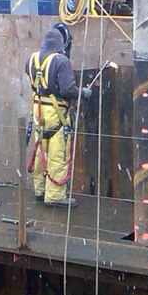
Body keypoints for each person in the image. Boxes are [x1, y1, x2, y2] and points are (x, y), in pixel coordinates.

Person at [26, 23, 92, 208]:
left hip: (39, 114)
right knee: (58, 155)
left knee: (41, 153)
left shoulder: (31, 59)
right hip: (57, 116)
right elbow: (67, 89)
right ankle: (54, 196)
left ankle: (40, 190)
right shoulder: (61, 61)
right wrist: (83, 93)